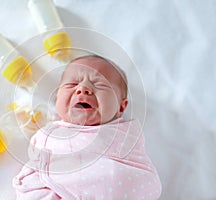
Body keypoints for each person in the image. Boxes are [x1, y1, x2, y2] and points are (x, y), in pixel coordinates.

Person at [13, 55, 162, 199]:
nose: (83, 89)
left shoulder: (124, 135)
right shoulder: (52, 134)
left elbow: (136, 177)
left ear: (121, 107)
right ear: (57, 98)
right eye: (72, 84)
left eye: (100, 85)